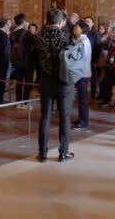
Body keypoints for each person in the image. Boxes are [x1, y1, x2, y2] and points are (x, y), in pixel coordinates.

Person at [35, 9, 75, 163]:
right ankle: (63, 152)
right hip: (64, 82)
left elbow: (35, 60)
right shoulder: (67, 36)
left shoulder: (38, 37)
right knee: (64, 118)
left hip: (46, 80)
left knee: (45, 117)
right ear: (61, 22)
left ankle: (42, 153)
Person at [71, 21, 92, 130]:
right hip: (79, 73)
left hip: (83, 74)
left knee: (83, 99)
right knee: (80, 98)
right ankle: (81, 119)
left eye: (77, 27)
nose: (74, 28)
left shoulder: (83, 41)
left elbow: (80, 58)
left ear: (82, 29)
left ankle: (83, 121)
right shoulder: (78, 40)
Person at [11, 13, 32, 107]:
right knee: (27, 82)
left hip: (16, 62)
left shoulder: (11, 34)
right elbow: (33, 47)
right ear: (23, 22)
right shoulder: (27, 33)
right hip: (27, 62)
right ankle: (25, 102)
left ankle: (18, 102)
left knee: (18, 82)